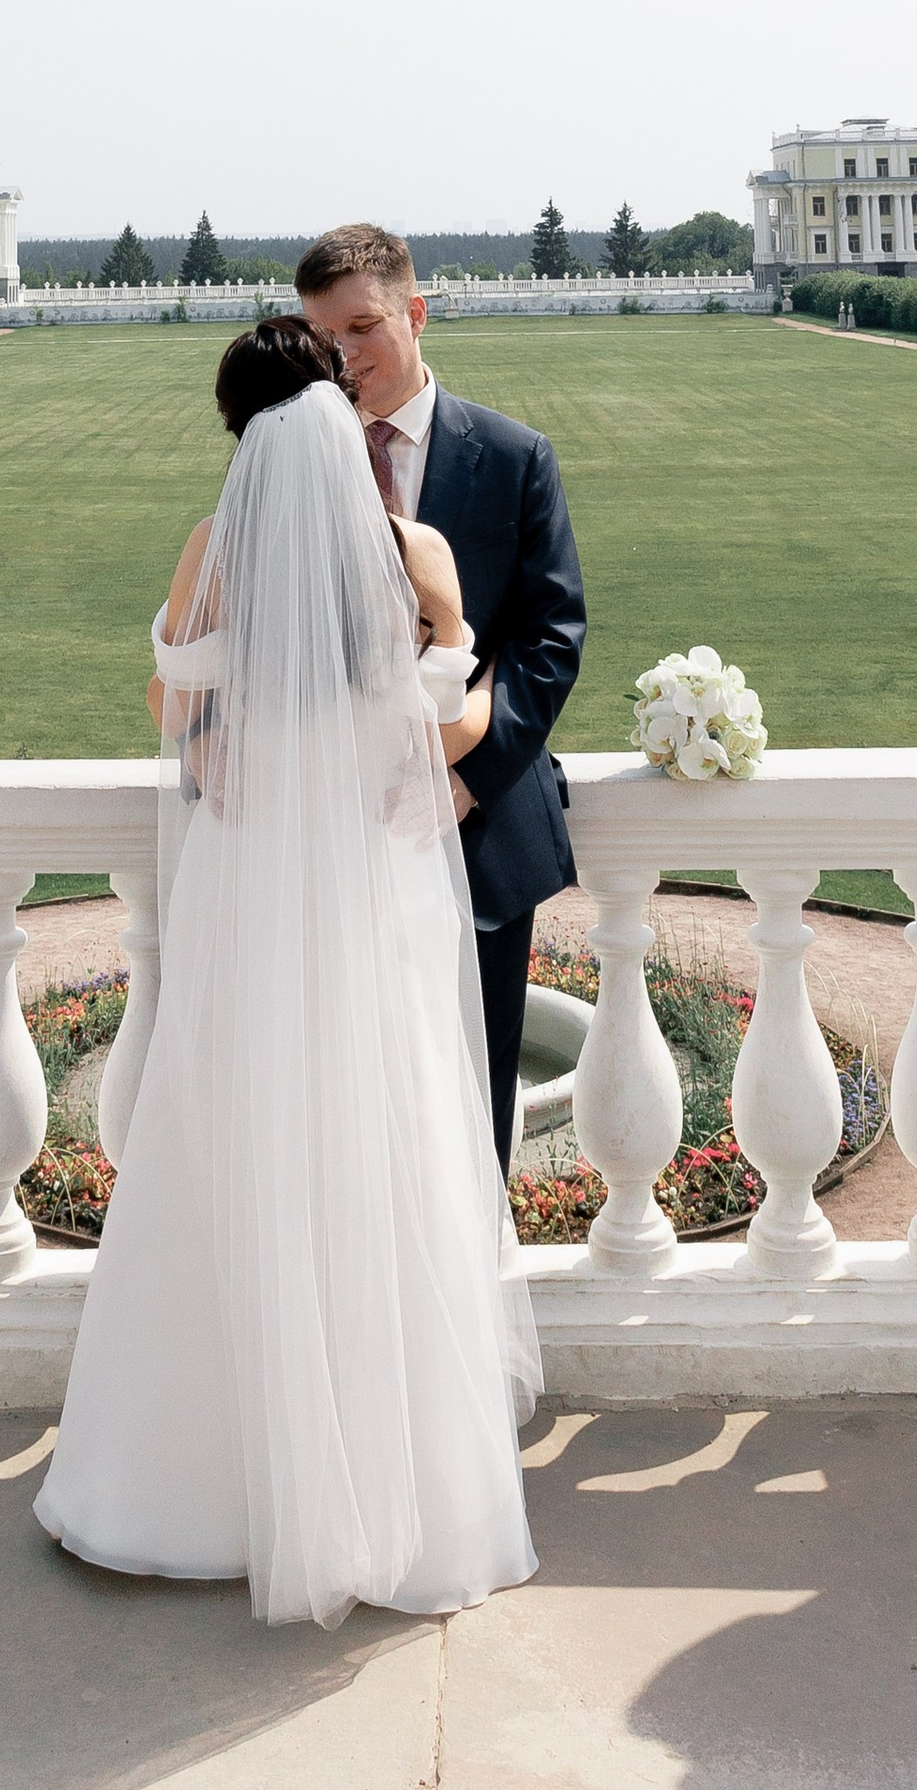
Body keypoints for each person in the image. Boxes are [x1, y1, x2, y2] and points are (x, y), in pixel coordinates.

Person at [35, 315, 539, 1628]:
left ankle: (194, 1483)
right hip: (370, 885)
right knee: (382, 1145)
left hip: (254, 878)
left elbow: (175, 706)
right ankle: (399, 1489)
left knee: (231, 1140)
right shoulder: (412, 551)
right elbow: (457, 712)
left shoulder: (216, 551)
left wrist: (217, 750)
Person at [295, 224, 586, 1171]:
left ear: (417, 313)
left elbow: (551, 638)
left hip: (481, 836)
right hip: (334, 833)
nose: (343, 357)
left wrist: (467, 778)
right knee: (344, 1108)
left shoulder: (512, 454)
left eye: (363, 327)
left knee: (475, 1094)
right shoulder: (296, 468)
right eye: (322, 336)